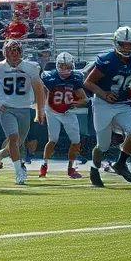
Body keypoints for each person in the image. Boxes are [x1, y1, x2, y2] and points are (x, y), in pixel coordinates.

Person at [82, 26, 131, 187]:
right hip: (103, 103)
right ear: (116, 43)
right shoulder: (107, 59)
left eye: (130, 45)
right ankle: (94, 168)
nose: (127, 48)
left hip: (123, 103)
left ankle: (120, 164)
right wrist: (104, 94)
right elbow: (88, 82)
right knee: (103, 145)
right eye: (123, 44)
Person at [0, 39, 45, 185]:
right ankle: (19, 171)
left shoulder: (31, 67)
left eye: (16, 52)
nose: (14, 56)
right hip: (7, 109)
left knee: (17, 143)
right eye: (11, 52)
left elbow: (39, 89)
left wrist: (40, 110)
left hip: (24, 108)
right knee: (13, 138)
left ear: (21, 52)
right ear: (5, 53)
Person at [39, 52, 87, 180]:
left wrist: (78, 103)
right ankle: (44, 165)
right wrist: (41, 109)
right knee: (53, 139)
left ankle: (71, 167)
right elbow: (41, 94)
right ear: (57, 65)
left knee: (76, 141)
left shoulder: (75, 78)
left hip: (68, 112)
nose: (65, 69)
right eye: (62, 66)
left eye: (67, 66)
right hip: (52, 111)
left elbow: (84, 99)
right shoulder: (50, 77)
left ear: (72, 66)